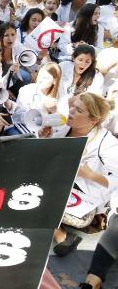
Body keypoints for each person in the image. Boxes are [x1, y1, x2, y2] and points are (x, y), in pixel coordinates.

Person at [38, 93, 118, 257]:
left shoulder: (106, 142)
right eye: (72, 106)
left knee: (36, 197)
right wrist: (45, 139)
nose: (71, 111)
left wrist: (90, 175)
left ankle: (62, 236)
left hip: (84, 202)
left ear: (93, 120)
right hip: (60, 184)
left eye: (78, 110)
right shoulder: (62, 127)